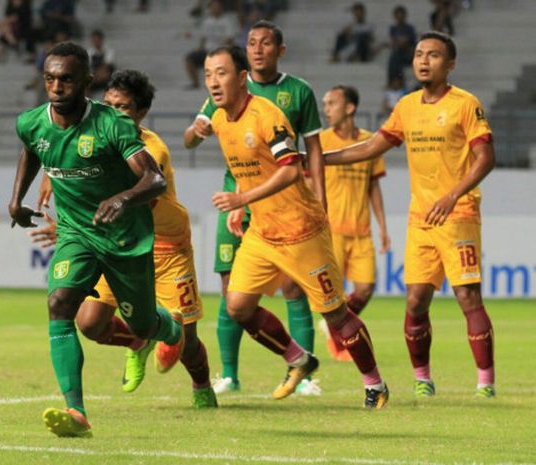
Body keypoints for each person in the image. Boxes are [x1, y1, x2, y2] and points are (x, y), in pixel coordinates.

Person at [9, 41, 185, 438]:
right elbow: (31, 150)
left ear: (87, 81)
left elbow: (153, 179)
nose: (56, 86)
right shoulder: (31, 121)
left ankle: (170, 328)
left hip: (126, 239)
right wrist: (17, 198)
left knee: (141, 323)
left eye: (66, 79)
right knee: (59, 303)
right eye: (50, 78)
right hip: (76, 233)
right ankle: (76, 412)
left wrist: (123, 198)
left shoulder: (111, 124)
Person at [203, 45, 389, 408]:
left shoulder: (267, 116)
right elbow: (249, 164)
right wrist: (243, 200)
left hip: (301, 230)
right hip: (262, 231)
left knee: (335, 313)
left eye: (221, 73)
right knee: (237, 306)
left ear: (242, 78)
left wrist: (242, 199)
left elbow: (289, 169)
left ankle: (375, 383)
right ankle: (299, 359)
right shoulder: (220, 120)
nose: (213, 81)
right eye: (208, 74)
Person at [30, 69, 218, 409]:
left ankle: (202, 385)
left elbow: (128, 201)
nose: (114, 112)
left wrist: (68, 226)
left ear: (140, 114)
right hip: (116, 243)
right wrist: (49, 170)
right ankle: (137, 341)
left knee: (186, 339)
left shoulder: (151, 150)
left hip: (165, 248)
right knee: (89, 323)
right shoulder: (91, 135)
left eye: (124, 107)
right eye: (109, 103)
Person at [324, 32, 497, 398]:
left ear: (449, 65)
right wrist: (321, 158)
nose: (423, 60)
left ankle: (486, 382)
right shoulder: (406, 106)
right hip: (420, 217)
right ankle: (423, 379)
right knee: (416, 300)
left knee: (468, 297)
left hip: (459, 212)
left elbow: (486, 158)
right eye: (419, 54)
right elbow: (372, 146)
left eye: (433, 55)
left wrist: (452, 196)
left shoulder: (466, 104)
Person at [184, 20, 322, 396]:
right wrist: (196, 134)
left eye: (265, 43)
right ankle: (229, 374)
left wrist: (320, 199)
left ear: (280, 49)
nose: (258, 48)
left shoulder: (297, 93)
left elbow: (313, 152)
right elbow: (188, 139)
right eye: (251, 43)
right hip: (236, 200)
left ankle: (306, 375)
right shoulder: (220, 90)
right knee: (232, 288)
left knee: (295, 286)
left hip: (282, 201)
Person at [316, 85, 390, 362]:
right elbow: (312, 184)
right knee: (331, 294)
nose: (327, 109)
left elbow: (374, 186)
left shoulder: (370, 142)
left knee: (366, 288)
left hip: (362, 231)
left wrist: (382, 226)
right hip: (331, 230)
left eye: (332, 103)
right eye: (325, 104)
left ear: (350, 108)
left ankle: (332, 326)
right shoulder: (321, 141)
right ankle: (339, 340)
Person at [184, 0, 237, 89]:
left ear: (221, 8)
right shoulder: (207, 22)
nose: (215, 9)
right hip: (207, 51)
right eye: (213, 7)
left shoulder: (227, 21)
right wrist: (200, 48)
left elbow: (230, 38)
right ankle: (195, 83)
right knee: (189, 58)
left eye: (217, 6)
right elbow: (203, 38)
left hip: (221, 51)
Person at [387, 5, 416, 82]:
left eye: (401, 16)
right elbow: (393, 42)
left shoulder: (410, 28)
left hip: (409, 54)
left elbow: (407, 42)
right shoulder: (393, 29)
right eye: (398, 16)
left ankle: (394, 80)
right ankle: (397, 80)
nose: (399, 18)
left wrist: (400, 42)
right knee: (395, 57)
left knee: (394, 56)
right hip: (399, 54)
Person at [87, 29, 116, 95]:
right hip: (95, 76)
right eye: (94, 40)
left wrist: (100, 75)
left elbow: (106, 65)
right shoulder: (89, 52)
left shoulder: (108, 51)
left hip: (106, 76)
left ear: (101, 40)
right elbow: (89, 67)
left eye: (98, 40)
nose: (96, 42)